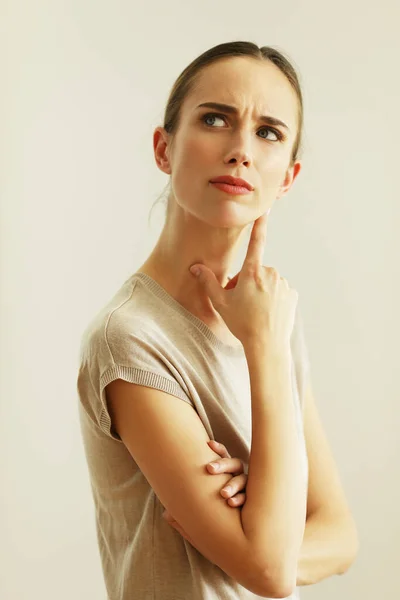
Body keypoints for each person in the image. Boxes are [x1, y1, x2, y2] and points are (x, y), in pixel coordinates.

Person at [77, 40, 358, 599]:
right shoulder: (130, 339)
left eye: (268, 132)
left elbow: (341, 536)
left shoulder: (270, 323)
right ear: (164, 148)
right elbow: (268, 572)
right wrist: (269, 532)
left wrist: (261, 514)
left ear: (288, 178)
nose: (240, 151)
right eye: (214, 119)